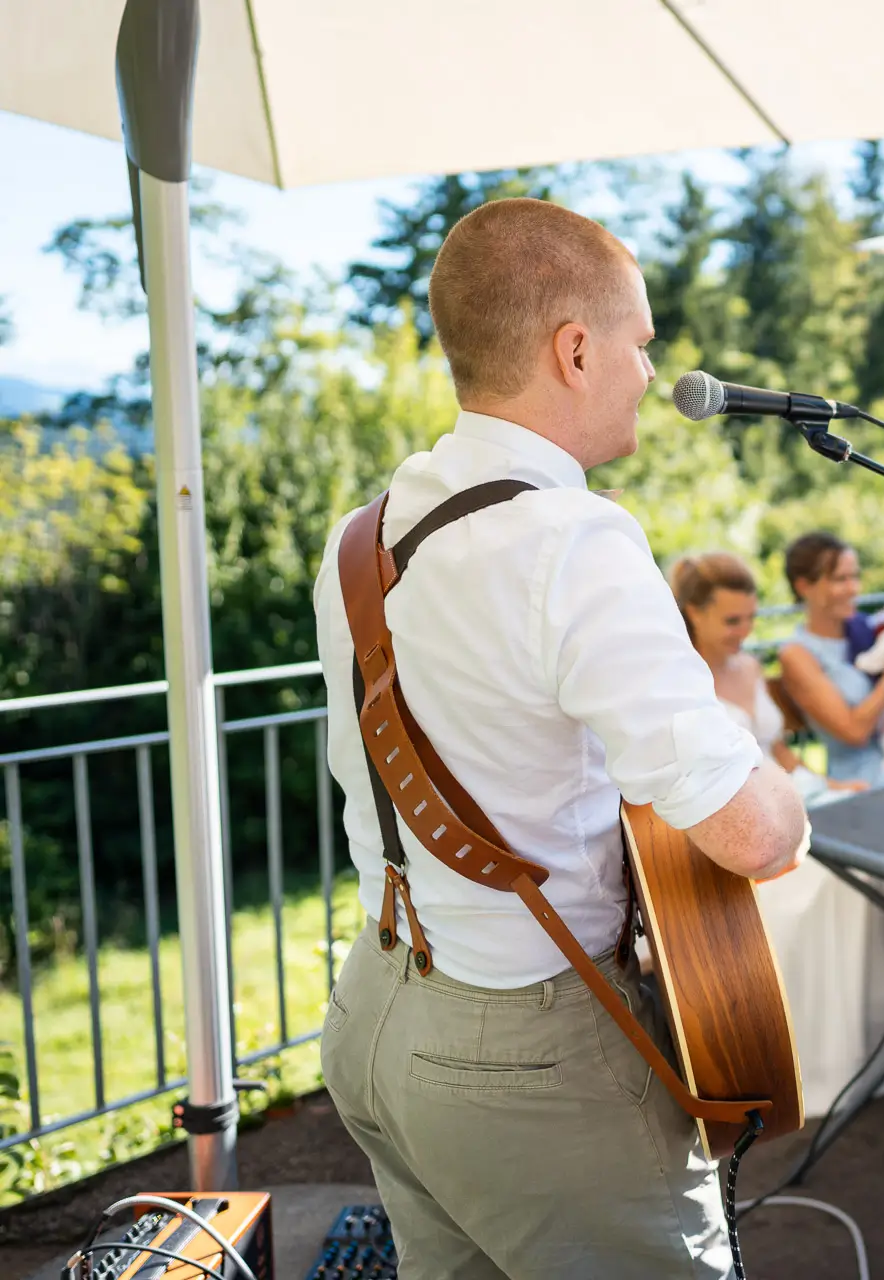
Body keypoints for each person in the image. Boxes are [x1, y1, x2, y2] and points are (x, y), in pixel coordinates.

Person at [312, 198, 809, 1279]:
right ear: (575, 351)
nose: (650, 372)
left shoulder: (365, 533)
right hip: (523, 1051)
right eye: (640, 344)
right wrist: (776, 775)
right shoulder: (571, 537)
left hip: (376, 1006)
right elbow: (754, 834)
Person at [670, 550, 864, 799]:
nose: (746, 631)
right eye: (732, 621)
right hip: (735, 805)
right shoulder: (682, 683)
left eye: (751, 618)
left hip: (787, 794)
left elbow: (778, 751)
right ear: (694, 613)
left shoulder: (750, 666)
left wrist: (833, 786)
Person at [778, 532, 884, 785]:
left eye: (855, 577)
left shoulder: (867, 629)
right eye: (840, 579)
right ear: (804, 586)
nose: (854, 589)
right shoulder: (797, 655)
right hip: (860, 784)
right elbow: (854, 732)